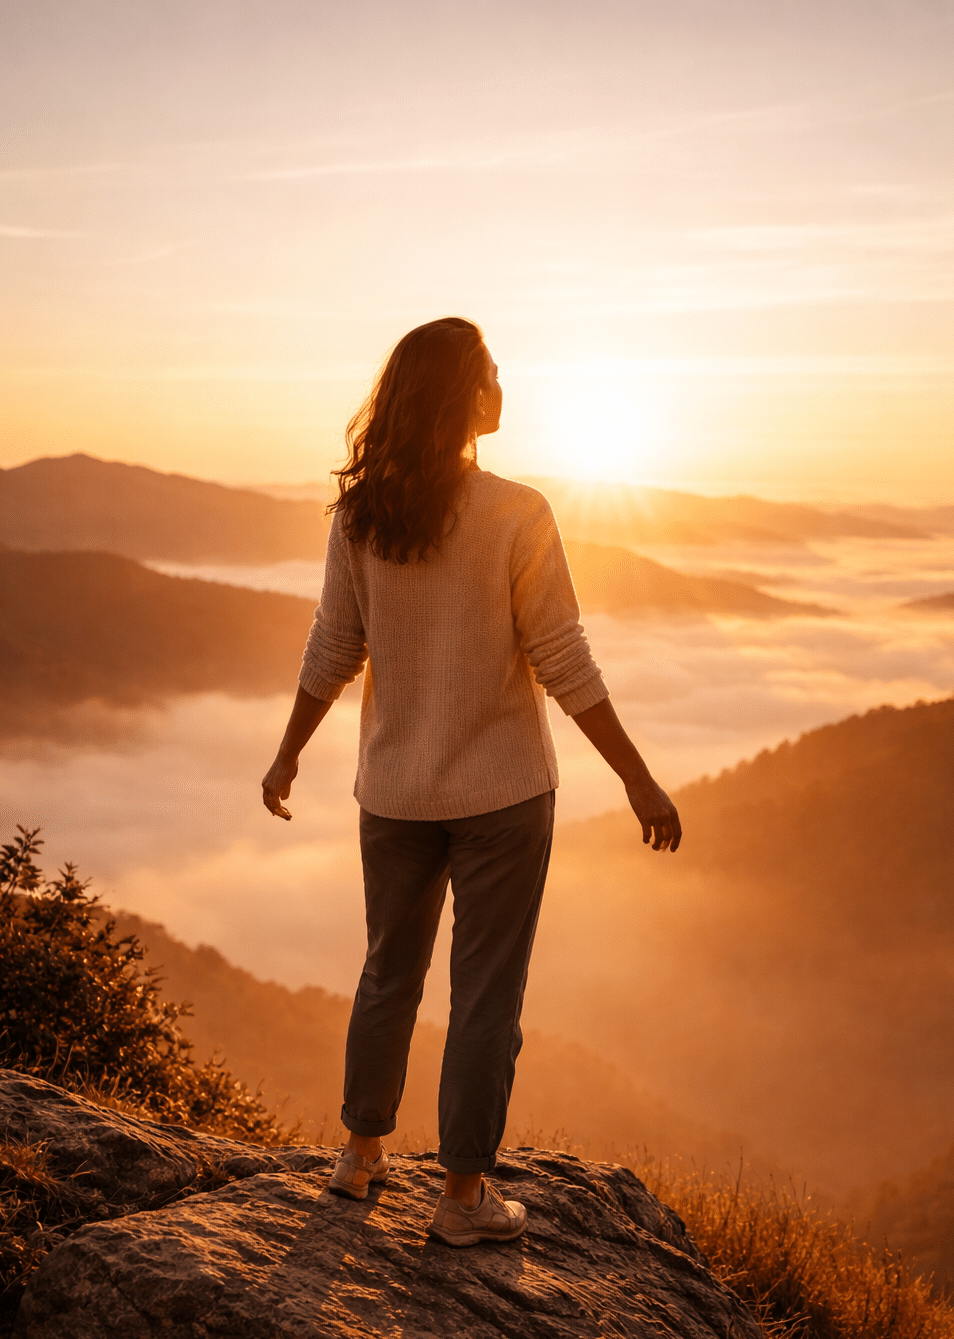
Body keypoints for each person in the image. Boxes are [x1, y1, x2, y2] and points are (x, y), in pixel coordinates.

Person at [261, 317, 680, 1248]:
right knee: (487, 992)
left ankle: (359, 1156)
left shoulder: (364, 512)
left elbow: (334, 644)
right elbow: (563, 658)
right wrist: (639, 780)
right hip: (503, 797)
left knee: (387, 974)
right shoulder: (516, 513)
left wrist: (289, 751)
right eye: (493, 372)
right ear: (467, 395)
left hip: (394, 792)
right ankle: (461, 1199)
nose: (504, 385)